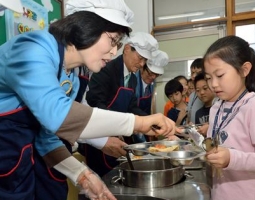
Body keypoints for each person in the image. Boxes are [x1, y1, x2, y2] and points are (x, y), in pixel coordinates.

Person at [0, 1, 178, 200]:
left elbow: (47, 135)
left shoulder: (72, 76)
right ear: (86, 26)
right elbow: (59, 117)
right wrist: (140, 123)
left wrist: (82, 175)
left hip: (20, 153)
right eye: (113, 41)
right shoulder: (33, 49)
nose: (113, 52)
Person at [203, 35, 255, 200]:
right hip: (220, 193)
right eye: (209, 78)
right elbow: (213, 146)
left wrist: (231, 158)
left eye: (220, 75)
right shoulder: (217, 107)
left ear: (244, 70)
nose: (213, 84)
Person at [84, 32, 159, 177]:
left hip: (118, 138)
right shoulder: (106, 70)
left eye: (145, 60)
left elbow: (132, 108)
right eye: (140, 58)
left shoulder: (133, 80)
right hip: (100, 139)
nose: (142, 64)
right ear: (127, 49)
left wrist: (151, 122)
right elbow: (95, 102)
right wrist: (115, 127)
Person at [187, 58, 204, 124]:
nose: (194, 76)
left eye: (198, 73)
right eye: (192, 73)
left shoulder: (210, 93)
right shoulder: (192, 95)